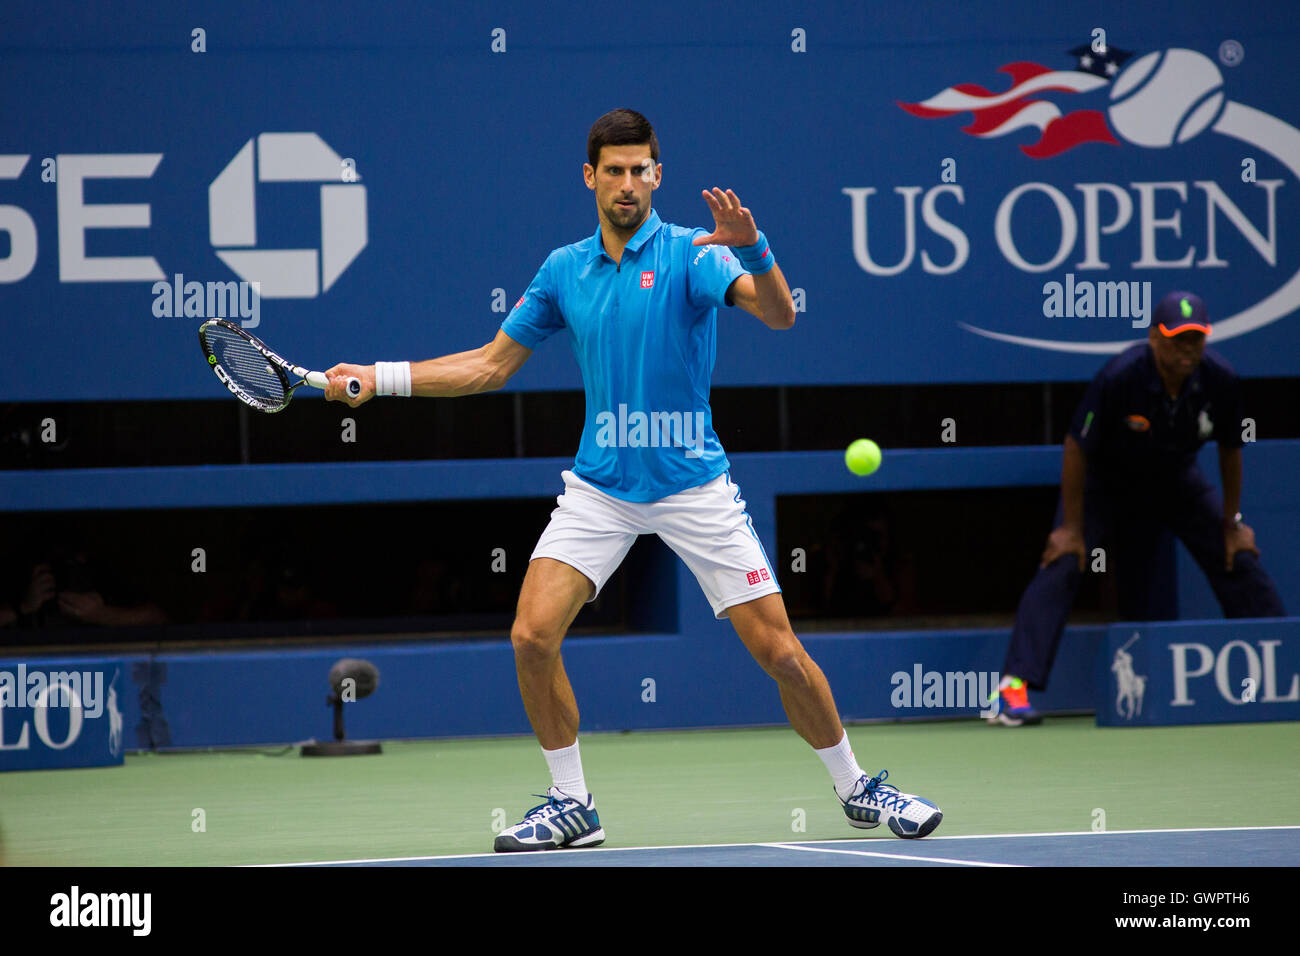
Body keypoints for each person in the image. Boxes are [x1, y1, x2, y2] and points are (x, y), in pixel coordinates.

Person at [324, 109, 942, 848]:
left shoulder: (697, 254)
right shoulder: (563, 270)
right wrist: (378, 378)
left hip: (694, 485)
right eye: (612, 170)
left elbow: (779, 316)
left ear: (657, 175)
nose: (626, 183)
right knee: (530, 636)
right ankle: (571, 803)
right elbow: (489, 364)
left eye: (639, 169)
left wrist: (759, 249)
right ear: (591, 177)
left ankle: (857, 787)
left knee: (780, 652)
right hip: (602, 489)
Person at [992, 291, 1286, 726]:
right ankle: (1012, 690)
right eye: (1176, 339)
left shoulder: (1220, 379)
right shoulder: (1120, 376)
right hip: (1107, 482)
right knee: (1065, 560)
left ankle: (1285, 661)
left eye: (1196, 339)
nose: (1187, 350)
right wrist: (1072, 528)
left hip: (1177, 481)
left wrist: (1232, 522)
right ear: (1154, 338)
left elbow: (1230, 450)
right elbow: (1076, 445)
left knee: (1236, 554)